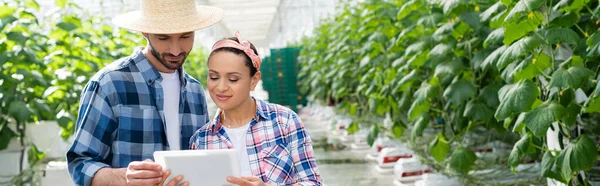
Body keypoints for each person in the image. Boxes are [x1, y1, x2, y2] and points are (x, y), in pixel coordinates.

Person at [66, 0, 223, 185]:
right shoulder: (110, 84)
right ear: (145, 32)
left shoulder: (195, 91)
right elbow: (79, 164)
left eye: (185, 36)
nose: (175, 49)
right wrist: (124, 178)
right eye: (163, 38)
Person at [187, 32, 323, 186]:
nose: (221, 87)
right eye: (213, 77)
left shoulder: (284, 122)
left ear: (254, 81)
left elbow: (313, 182)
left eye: (233, 79)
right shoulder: (201, 140)